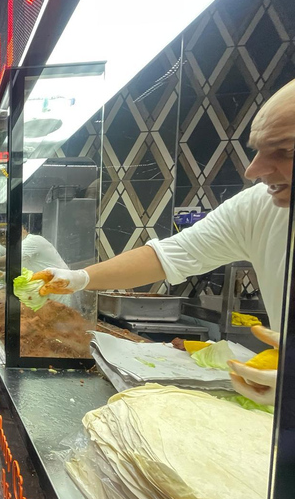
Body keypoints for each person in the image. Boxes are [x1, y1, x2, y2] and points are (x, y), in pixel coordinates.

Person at [36, 78, 295, 406]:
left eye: (284, 150)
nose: (253, 170)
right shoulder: (258, 208)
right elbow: (168, 256)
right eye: (257, 150)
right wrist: (80, 278)